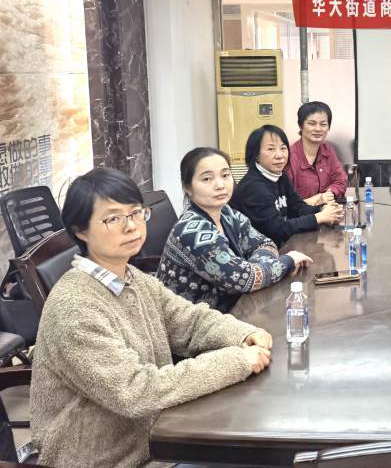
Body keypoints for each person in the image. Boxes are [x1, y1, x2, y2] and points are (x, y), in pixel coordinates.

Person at [31, 168, 274, 468]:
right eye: (113, 219)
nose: (131, 226)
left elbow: (188, 321)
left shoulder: (132, 277)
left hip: (156, 438)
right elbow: (136, 390)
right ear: (80, 230)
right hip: (107, 460)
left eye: (136, 213)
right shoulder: (74, 307)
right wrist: (236, 361)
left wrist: (241, 334)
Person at [158, 147, 313, 312]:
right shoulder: (193, 233)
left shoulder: (227, 213)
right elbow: (244, 279)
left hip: (227, 310)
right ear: (188, 187)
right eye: (207, 179)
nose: (220, 185)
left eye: (225, 175)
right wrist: (288, 260)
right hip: (190, 322)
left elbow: (264, 244)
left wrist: (253, 269)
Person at [231, 124, 343, 247]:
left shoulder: (281, 176)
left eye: (283, 148)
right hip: (256, 252)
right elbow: (277, 229)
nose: (279, 155)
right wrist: (319, 217)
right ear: (256, 155)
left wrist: (323, 209)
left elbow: (298, 207)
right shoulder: (253, 187)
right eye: (271, 149)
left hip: (279, 247)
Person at [286, 101, 349, 205]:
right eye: (312, 123)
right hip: (299, 213)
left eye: (323, 124)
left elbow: (341, 180)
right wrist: (317, 199)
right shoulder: (289, 157)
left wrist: (329, 194)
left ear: (328, 127)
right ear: (301, 126)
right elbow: (285, 199)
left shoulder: (328, 151)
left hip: (327, 211)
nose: (318, 129)